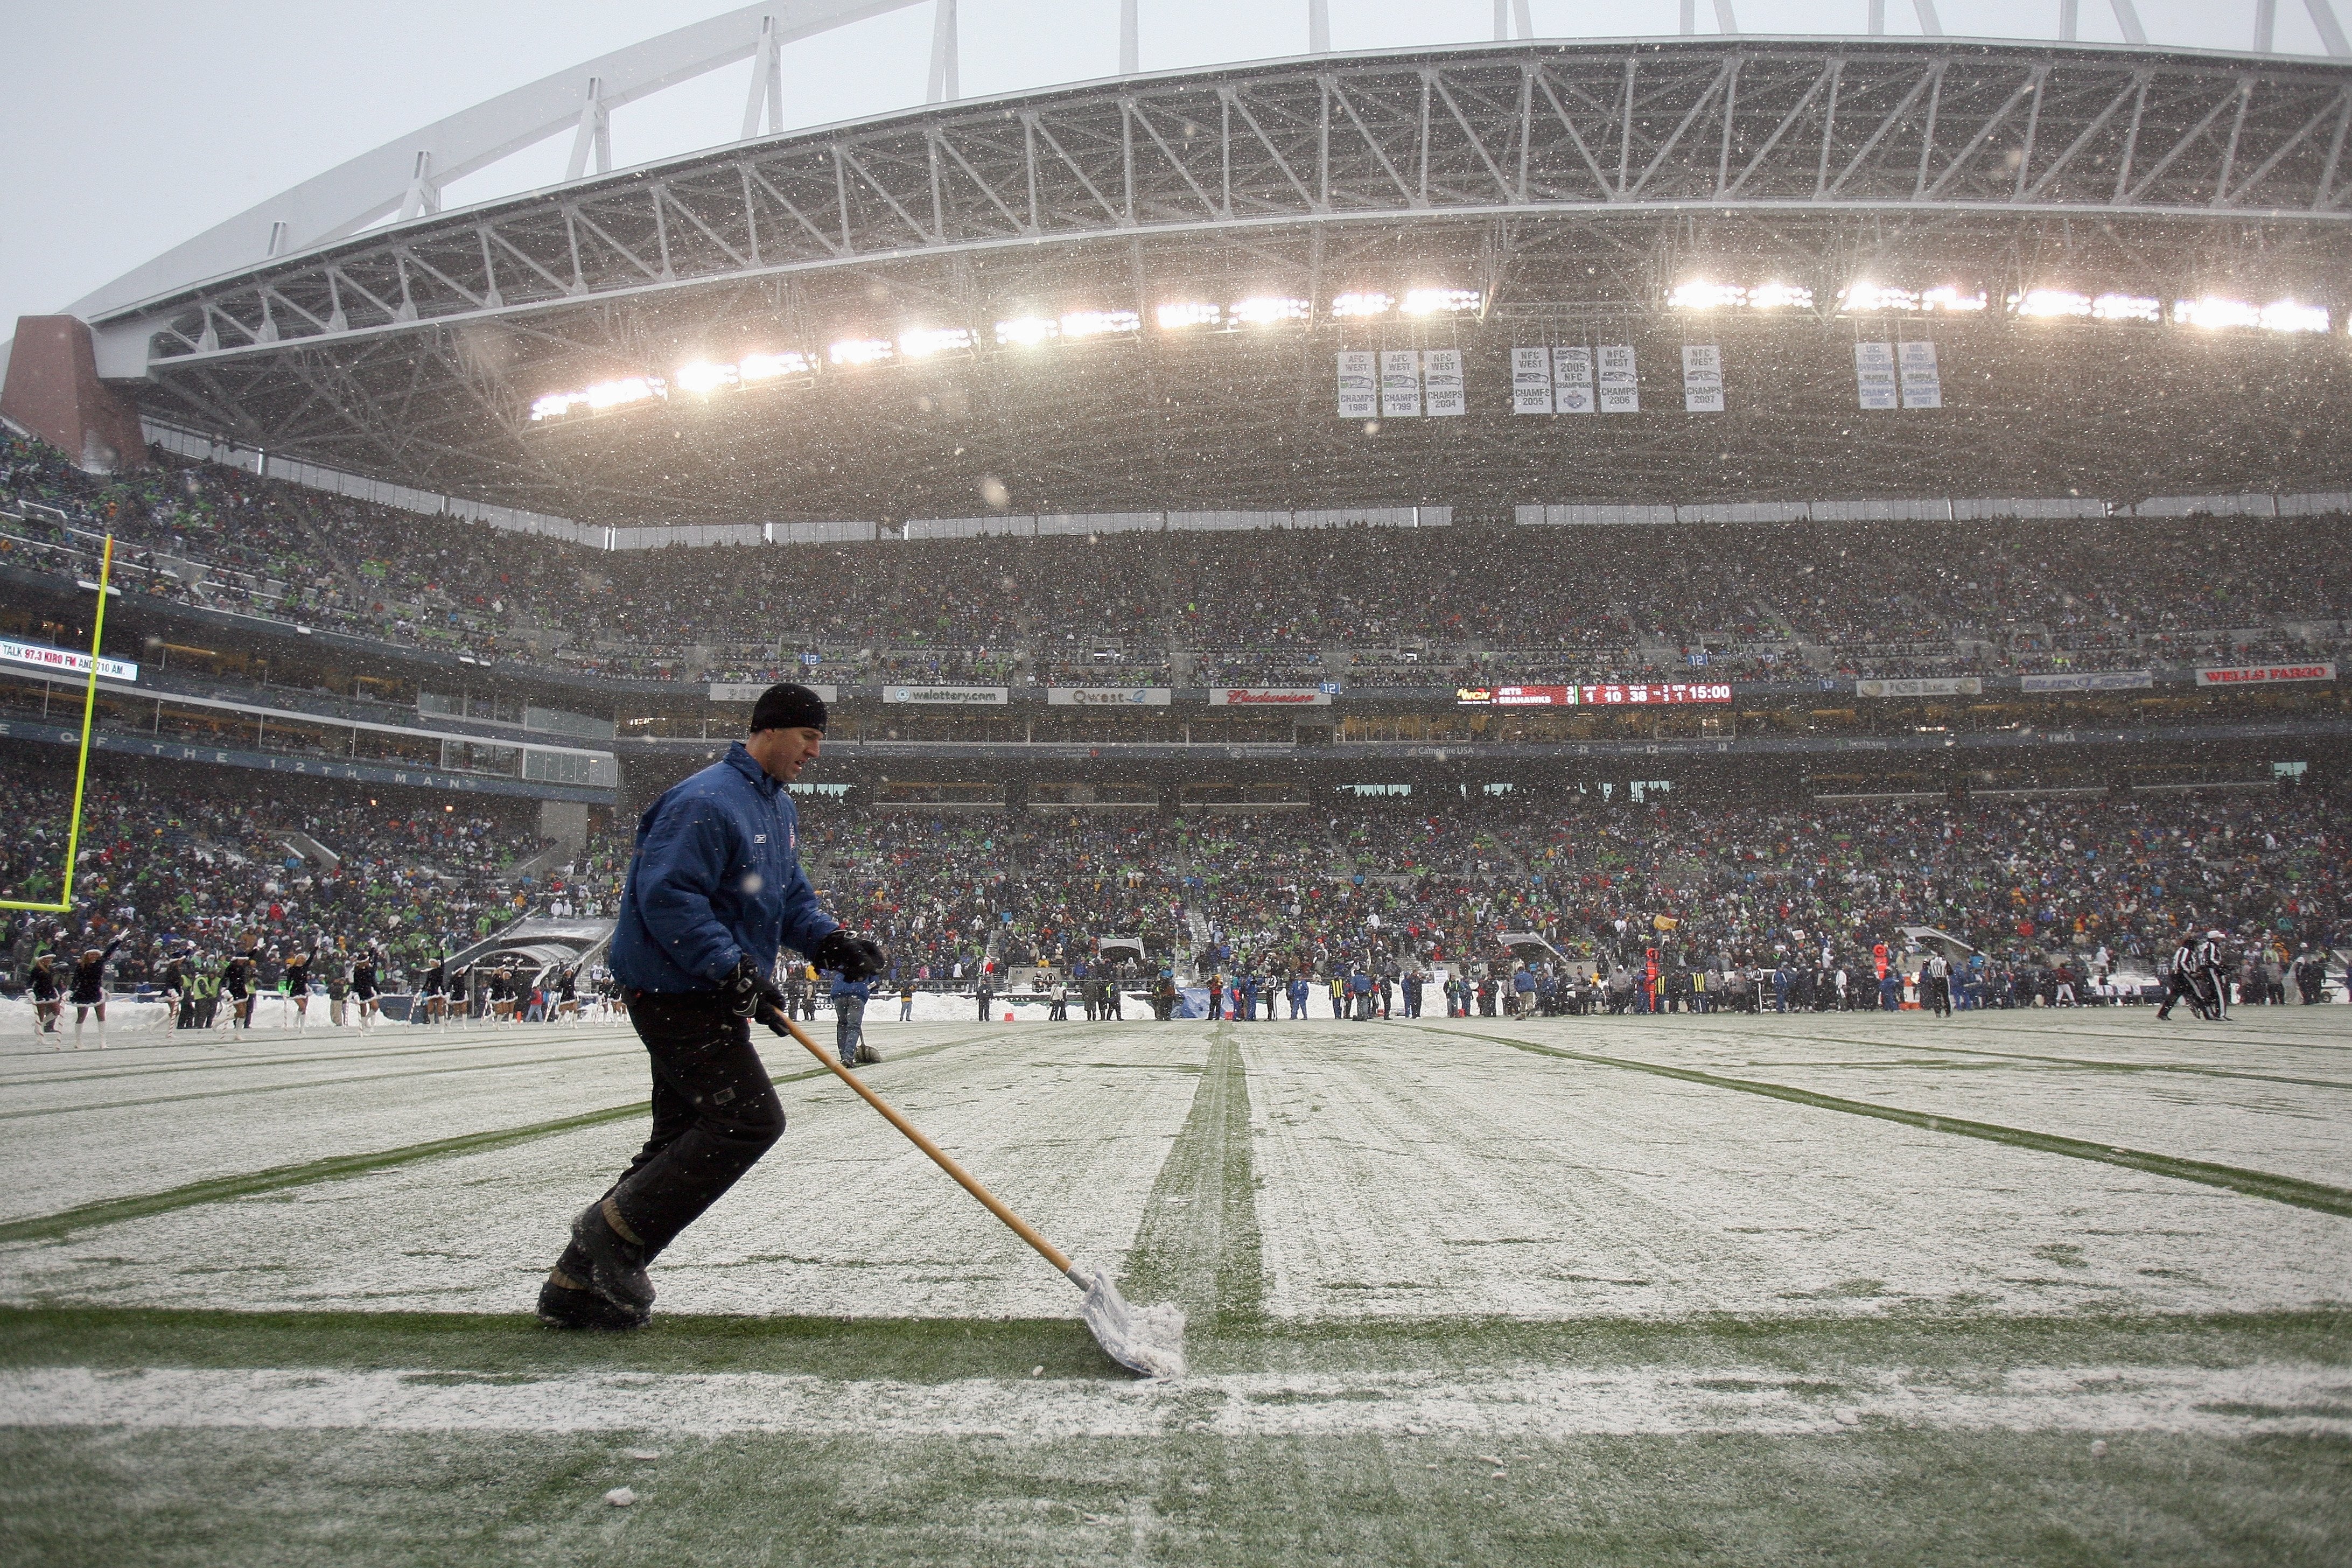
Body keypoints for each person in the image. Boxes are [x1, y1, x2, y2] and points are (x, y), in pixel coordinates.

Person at [540, 683, 884, 1332]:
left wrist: (831, 942)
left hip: (704, 991)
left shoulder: (777, 808)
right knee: (748, 1122)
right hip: (676, 992)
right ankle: (611, 1238)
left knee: (677, 1141)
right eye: (809, 736)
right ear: (771, 730)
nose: (815, 750)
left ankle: (575, 1282)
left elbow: (787, 899)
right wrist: (733, 970)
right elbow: (668, 896)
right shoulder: (705, 800)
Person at [830, 962, 870, 1067]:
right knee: (854, 1027)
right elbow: (875, 981)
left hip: (839, 994)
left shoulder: (844, 959)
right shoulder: (867, 961)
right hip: (857, 994)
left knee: (843, 1025)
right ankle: (848, 1057)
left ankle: (844, 1056)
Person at [27, 953, 62, 1038]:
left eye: (50, 959)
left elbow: (53, 980)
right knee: (41, 1013)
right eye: (46, 959)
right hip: (40, 991)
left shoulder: (51, 969)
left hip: (50, 991)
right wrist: (30, 991)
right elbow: (30, 982)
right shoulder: (36, 969)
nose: (49, 961)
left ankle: (42, 1023)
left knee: (57, 1010)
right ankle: (40, 1034)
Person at [284, 950, 312, 1030]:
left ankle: (302, 1027)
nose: (301, 960)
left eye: (303, 958)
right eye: (299, 958)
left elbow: (311, 958)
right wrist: (287, 989)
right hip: (296, 989)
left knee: (304, 1008)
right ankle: (296, 1019)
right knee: (302, 1006)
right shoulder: (293, 969)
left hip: (304, 989)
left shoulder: (305, 967)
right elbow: (289, 980)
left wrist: (316, 948)